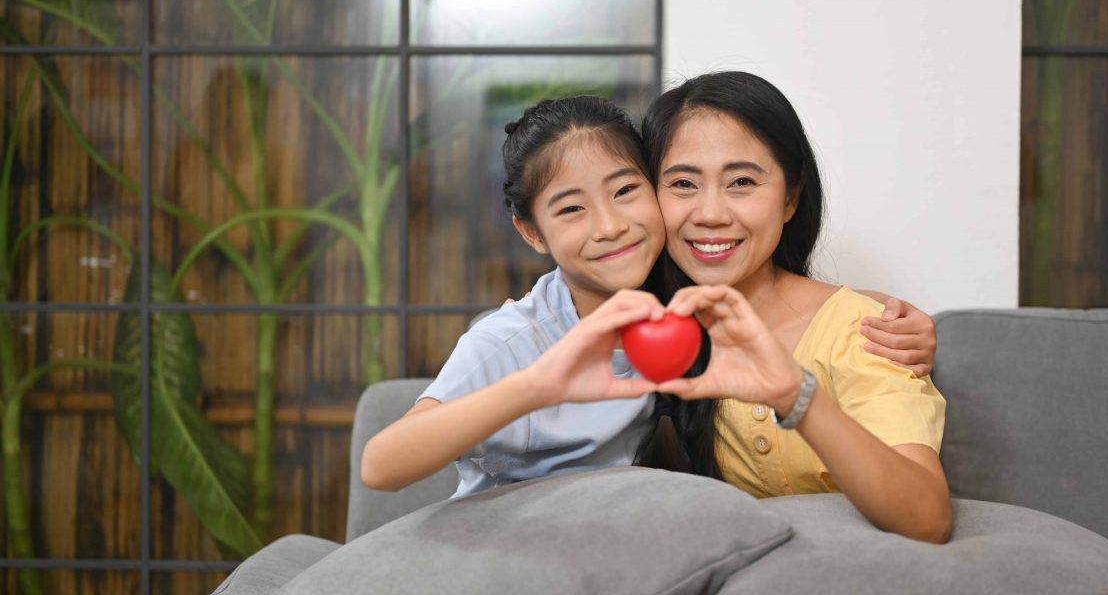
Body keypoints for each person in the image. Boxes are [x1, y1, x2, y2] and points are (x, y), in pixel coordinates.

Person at [361, 94, 937, 500]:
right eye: (571, 208)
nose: (610, 225)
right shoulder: (514, 338)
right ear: (532, 233)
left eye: (626, 190)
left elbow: (775, 298)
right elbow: (381, 465)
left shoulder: (664, 304)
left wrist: (880, 310)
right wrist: (539, 384)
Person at [641, 71, 952, 543]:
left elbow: (927, 518)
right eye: (683, 183)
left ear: (790, 197)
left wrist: (795, 395)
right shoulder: (644, 326)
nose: (709, 213)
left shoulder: (860, 332)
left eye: (741, 181)